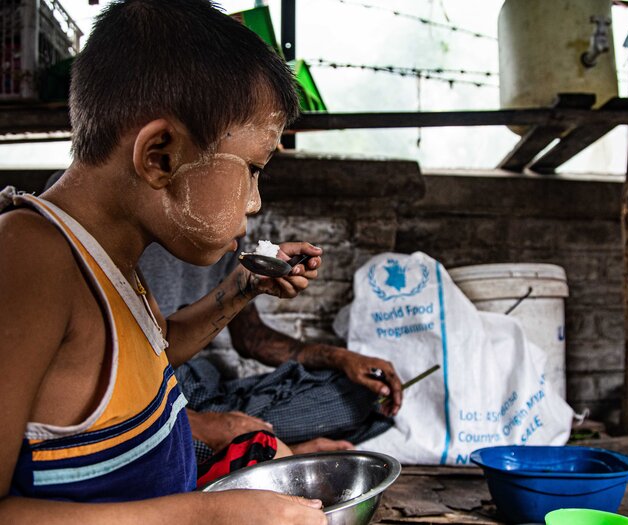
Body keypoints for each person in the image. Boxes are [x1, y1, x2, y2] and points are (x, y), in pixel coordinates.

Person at [0, 1, 327, 522]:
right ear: (160, 156)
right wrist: (201, 516)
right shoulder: (32, 257)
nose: (254, 202)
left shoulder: (113, 257)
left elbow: (153, 353)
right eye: (252, 169)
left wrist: (245, 287)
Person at [139, 243, 403, 462]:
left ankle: (254, 448)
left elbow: (251, 337)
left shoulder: (227, 242)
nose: (253, 204)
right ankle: (269, 452)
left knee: (362, 394)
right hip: (150, 397)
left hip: (209, 387)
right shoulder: (123, 252)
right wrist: (203, 426)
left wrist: (342, 358)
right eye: (250, 177)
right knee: (157, 445)